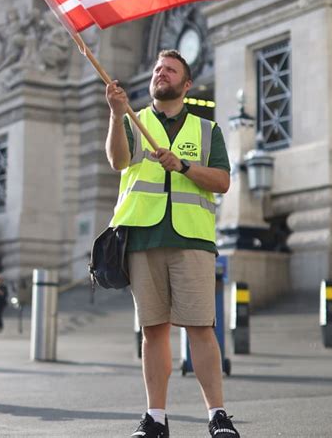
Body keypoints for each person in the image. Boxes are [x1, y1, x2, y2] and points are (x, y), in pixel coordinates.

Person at [105, 50, 240, 438]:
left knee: (200, 328)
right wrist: (116, 114)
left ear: (186, 84)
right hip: (143, 236)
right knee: (153, 330)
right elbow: (117, 161)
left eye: (170, 70)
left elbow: (222, 181)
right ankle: (156, 418)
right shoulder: (134, 119)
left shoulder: (206, 130)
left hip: (192, 238)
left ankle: (217, 415)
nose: (161, 73)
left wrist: (182, 166)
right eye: (157, 69)